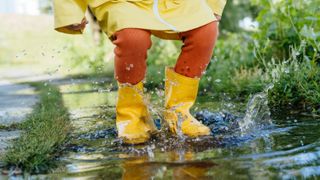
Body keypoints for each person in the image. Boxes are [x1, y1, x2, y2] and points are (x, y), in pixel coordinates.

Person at [54, 0, 227, 144]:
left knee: (205, 30)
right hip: (121, 2)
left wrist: (213, 5)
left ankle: (178, 113)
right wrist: (69, 12)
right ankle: (133, 116)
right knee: (132, 38)